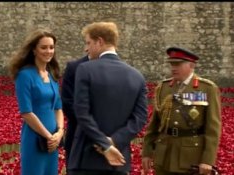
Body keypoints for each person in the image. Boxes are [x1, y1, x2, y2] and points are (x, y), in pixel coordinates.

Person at [68, 21, 148, 175]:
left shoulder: (85, 69)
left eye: (88, 43)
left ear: (100, 41)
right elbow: (140, 118)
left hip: (86, 160)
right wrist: (114, 141)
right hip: (119, 162)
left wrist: (105, 145)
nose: (86, 49)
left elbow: (82, 113)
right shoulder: (137, 76)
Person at [141, 46, 222, 175]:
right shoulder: (163, 88)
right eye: (172, 64)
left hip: (190, 157)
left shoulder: (207, 88)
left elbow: (213, 128)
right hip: (164, 156)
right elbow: (154, 125)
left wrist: (208, 160)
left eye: (178, 64)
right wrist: (147, 152)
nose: (173, 68)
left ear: (191, 65)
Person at [8, 28, 64, 175]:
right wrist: (48, 136)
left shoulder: (52, 75)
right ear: (34, 50)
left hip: (52, 142)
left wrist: (59, 132)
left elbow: (58, 108)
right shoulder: (25, 75)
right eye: (43, 47)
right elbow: (26, 112)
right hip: (35, 139)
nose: (48, 51)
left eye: (51, 47)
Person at [61, 54, 90, 168]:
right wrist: (92, 126)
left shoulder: (115, 69)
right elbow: (67, 103)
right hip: (76, 135)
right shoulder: (74, 67)